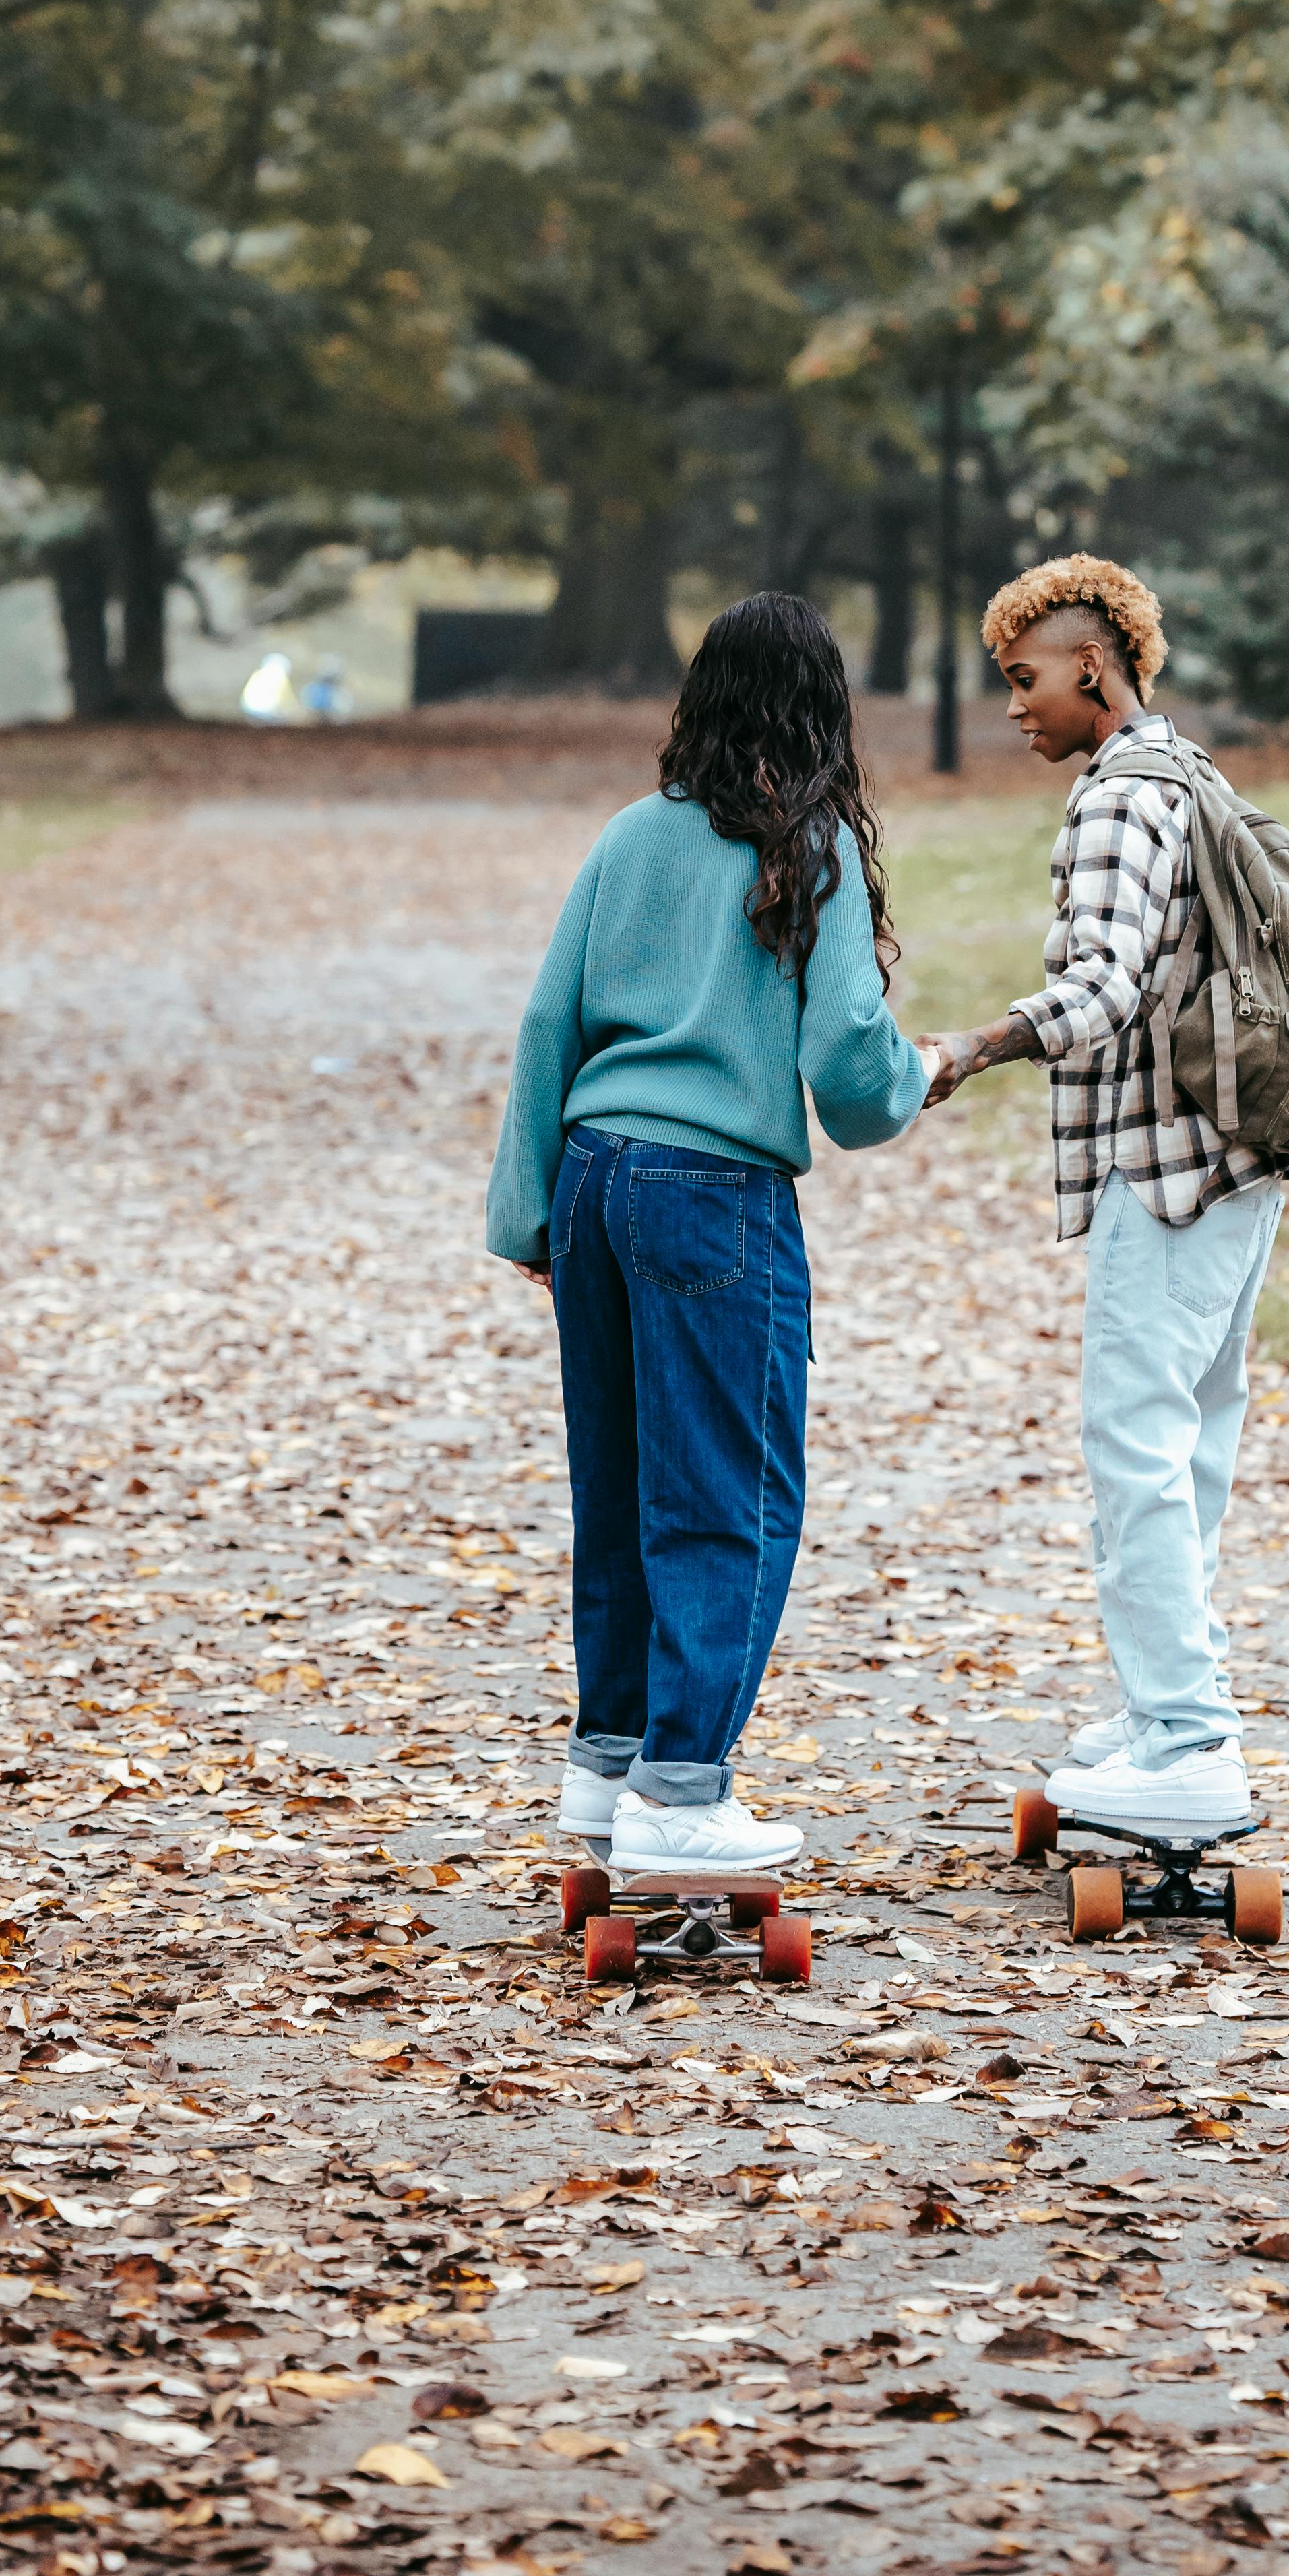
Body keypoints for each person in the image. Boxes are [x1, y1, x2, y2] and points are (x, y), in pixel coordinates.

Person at [486, 591, 929, 1880]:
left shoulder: (632, 836)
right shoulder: (812, 845)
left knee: (620, 1483)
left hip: (592, 1181)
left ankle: (608, 1767)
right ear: (820, 711)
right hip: (714, 1192)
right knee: (730, 1491)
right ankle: (684, 1792)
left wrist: (527, 1211)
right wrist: (914, 1079)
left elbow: (543, 1025)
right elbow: (850, 1059)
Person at [920, 552, 1277, 1841]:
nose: (1015, 705)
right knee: (1189, 1447)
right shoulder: (1192, 772)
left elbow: (1109, 983)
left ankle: (1185, 1738)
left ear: (1092, 666)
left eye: (1025, 679)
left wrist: (977, 1046)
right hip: (1239, 1159)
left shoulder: (1122, 798)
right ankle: (1167, 1707)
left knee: (1133, 1444)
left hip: (1169, 1167)